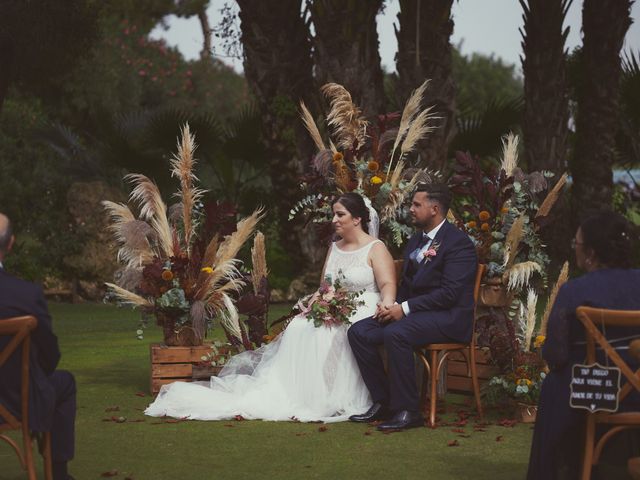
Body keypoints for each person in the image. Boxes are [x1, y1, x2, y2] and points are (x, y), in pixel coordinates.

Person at [145, 192, 397, 422]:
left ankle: (331, 394)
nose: (334, 219)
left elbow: (387, 284)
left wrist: (386, 303)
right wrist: (318, 301)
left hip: (366, 307)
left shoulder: (376, 248)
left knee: (328, 333)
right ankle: (301, 394)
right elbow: (325, 284)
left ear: (358, 219)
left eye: (340, 214)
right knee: (299, 326)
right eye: (333, 214)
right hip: (333, 303)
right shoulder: (335, 247)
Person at [348, 182, 478, 431]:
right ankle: (384, 401)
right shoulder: (417, 239)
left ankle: (408, 410)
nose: (410, 209)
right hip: (416, 314)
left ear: (435, 208)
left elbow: (450, 294)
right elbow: (408, 282)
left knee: (396, 333)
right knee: (359, 332)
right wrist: (392, 305)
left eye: (416, 204)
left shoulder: (458, 244)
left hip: (448, 318)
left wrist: (404, 309)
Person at [527, 212, 640, 479]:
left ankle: (561, 469)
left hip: (596, 393)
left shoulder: (574, 291)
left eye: (575, 244)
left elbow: (556, 354)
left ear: (589, 253)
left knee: (556, 381)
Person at [0, 213, 76, 480]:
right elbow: (49, 354)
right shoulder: (25, 294)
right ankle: (57, 474)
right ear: (11, 245)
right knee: (63, 383)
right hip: (17, 401)